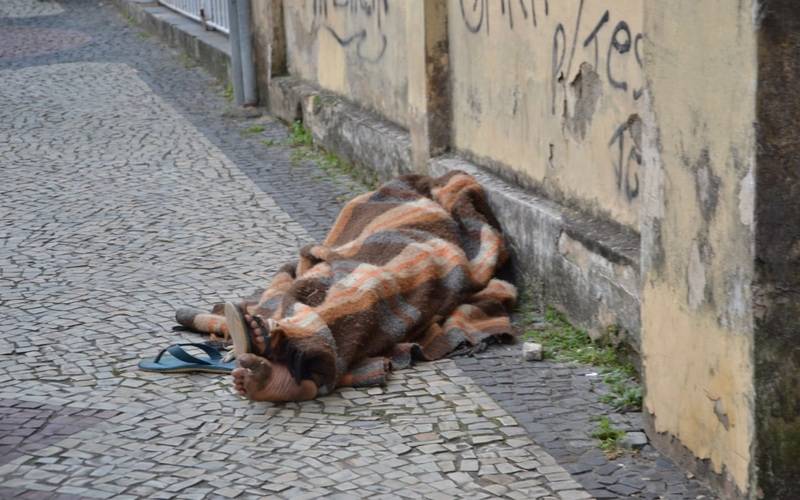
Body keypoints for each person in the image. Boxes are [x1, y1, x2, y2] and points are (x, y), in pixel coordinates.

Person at [177, 171, 517, 402]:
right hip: (355, 254)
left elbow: (456, 252)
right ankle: (293, 350)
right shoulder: (381, 202)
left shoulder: (437, 215)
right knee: (321, 282)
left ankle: (294, 352)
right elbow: (354, 224)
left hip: (418, 247)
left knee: (375, 286)